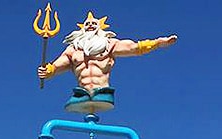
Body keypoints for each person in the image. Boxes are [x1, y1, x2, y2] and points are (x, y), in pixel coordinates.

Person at [37, 11, 177, 113]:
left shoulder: (109, 44)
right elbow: (56, 65)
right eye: (87, 24)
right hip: (81, 94)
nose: (90, 25)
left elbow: (134, 47)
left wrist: (157, 43)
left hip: (102, 92)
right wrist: (48, 71)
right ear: (82, 28)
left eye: (94, 23)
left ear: (100, 27)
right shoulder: (73, 49)